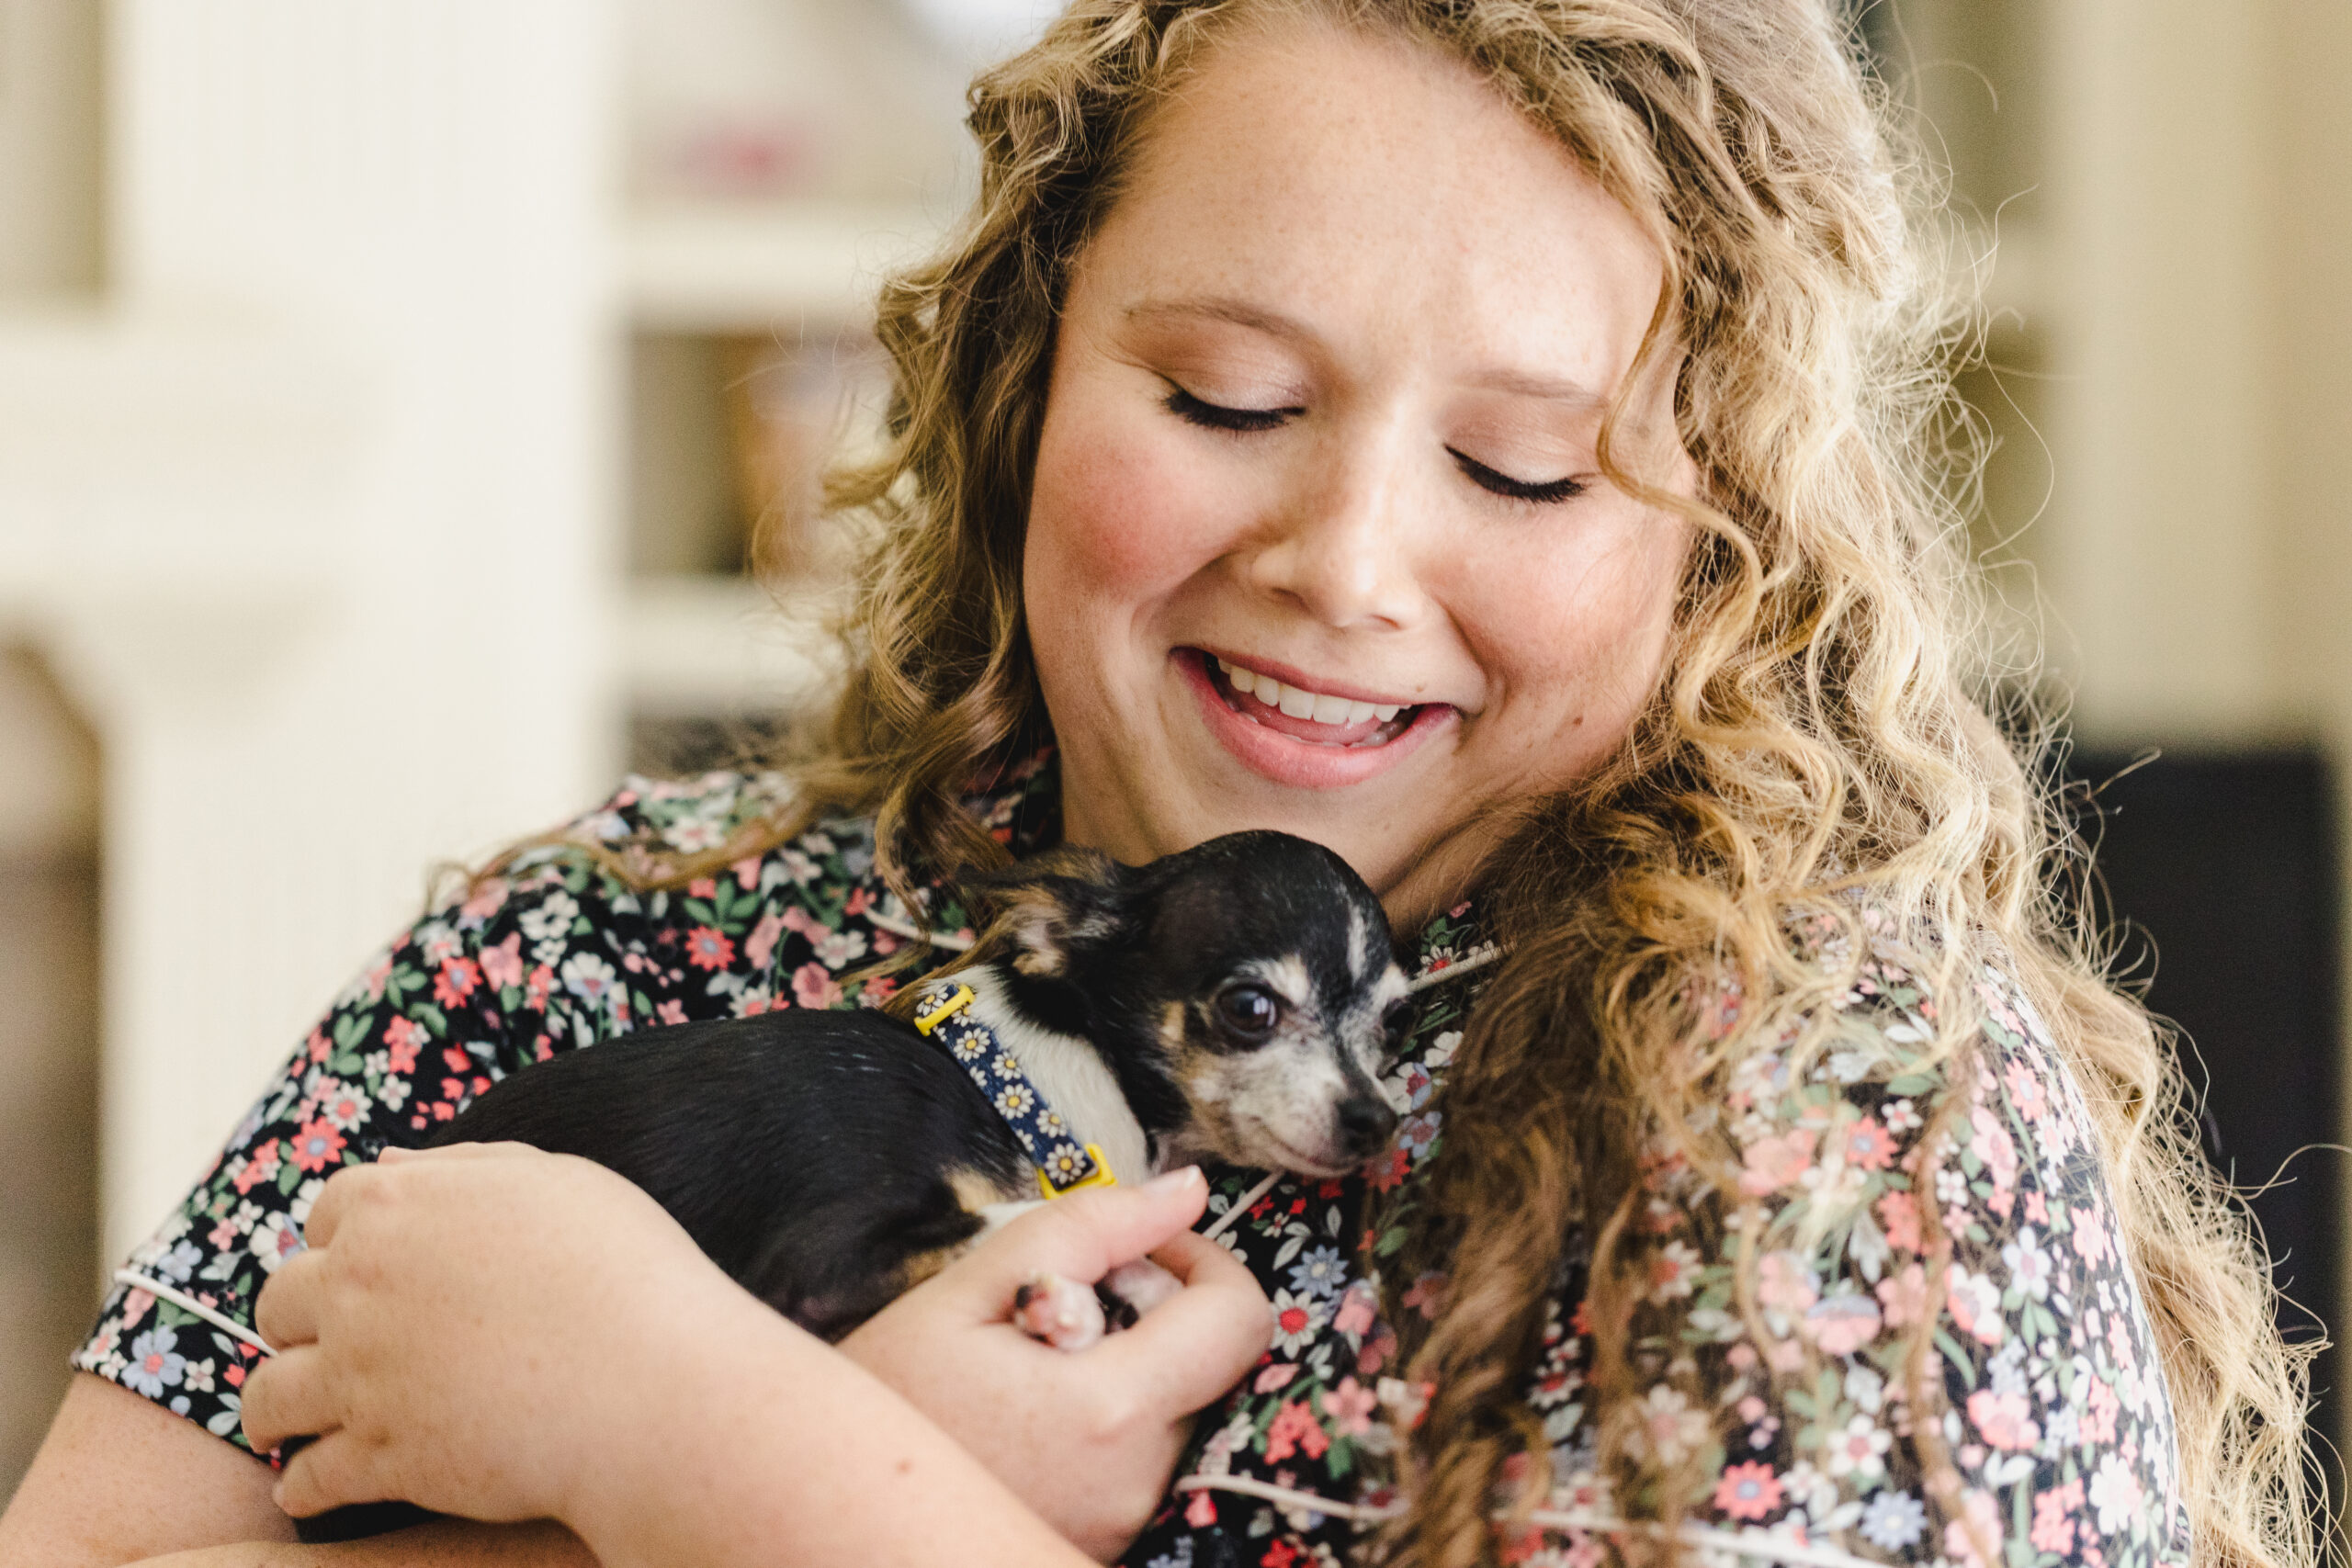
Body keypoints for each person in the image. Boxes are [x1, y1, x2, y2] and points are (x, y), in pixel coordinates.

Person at [0, 1, 2312, 1564]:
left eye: (1522, 467)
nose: (1338, 561)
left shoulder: (1824, 1114)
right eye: (1218, 398)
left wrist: (716, 1448)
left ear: (1721, 546)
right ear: (1021, 371)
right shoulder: (596, 940)